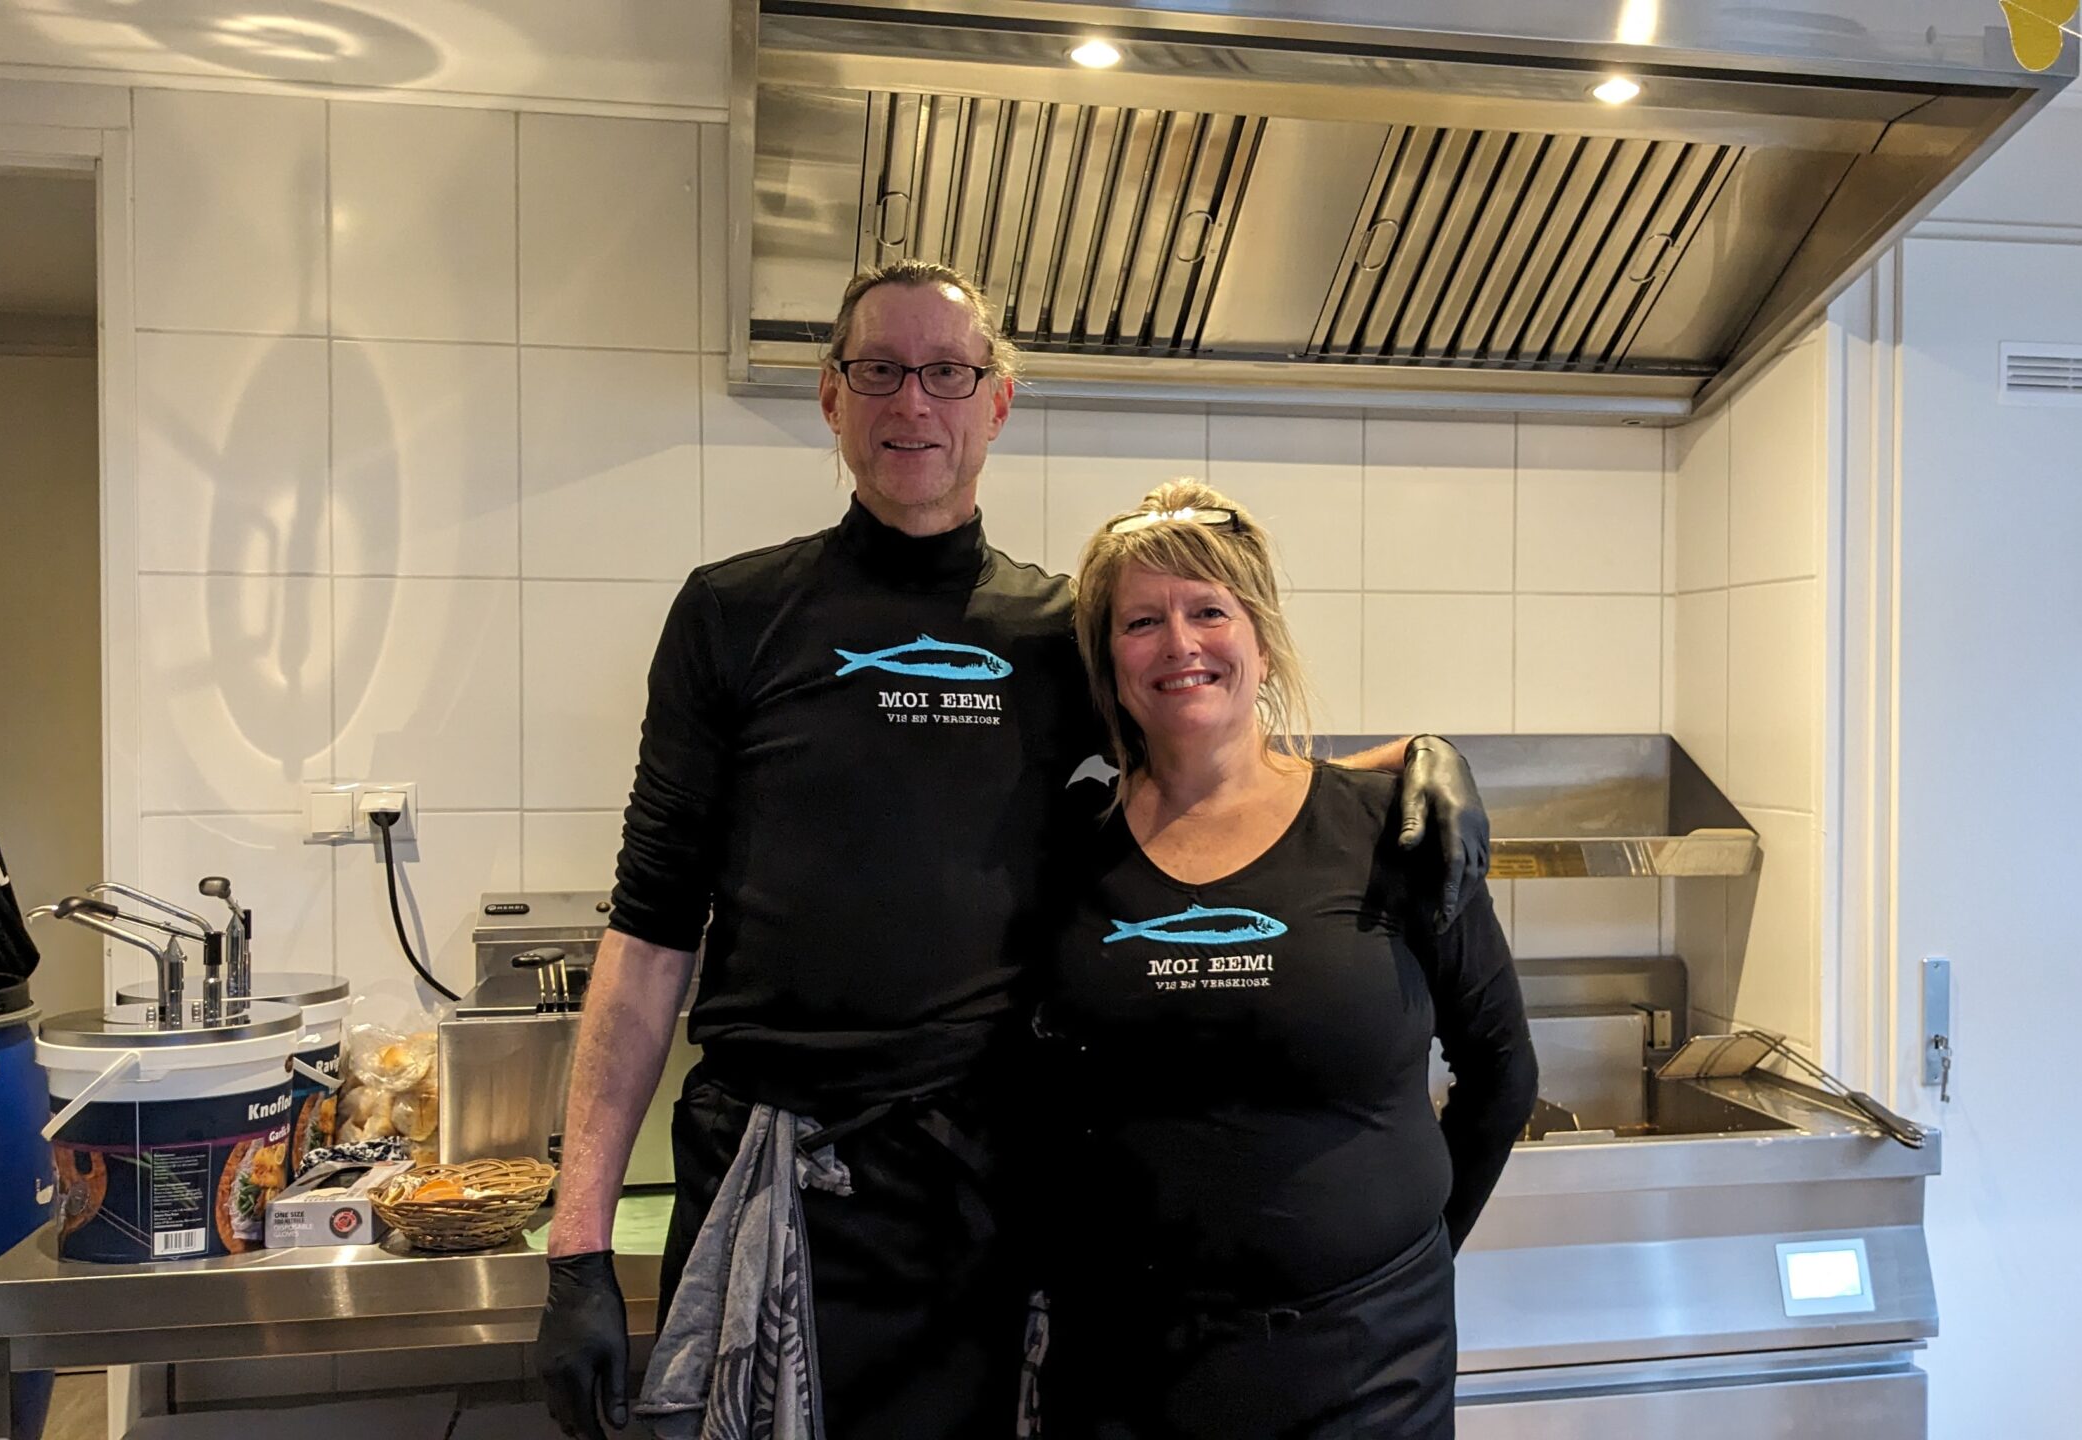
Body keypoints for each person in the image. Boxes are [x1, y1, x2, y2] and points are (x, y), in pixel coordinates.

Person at [536, 259, 1493, 1440]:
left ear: (996, 403)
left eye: (948, 372)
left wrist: (1410, 758)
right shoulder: (732, 615)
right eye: (879, 370)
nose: (912, 401)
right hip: (778, 1181)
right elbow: (648, 927)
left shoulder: (1053, 634)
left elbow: (1212, 758)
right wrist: (578, 1248)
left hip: (990, 1193)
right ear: (831, 396)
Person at [1034, 479, 1538, 1439]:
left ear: (1261, 643)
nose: (1179, 644)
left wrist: (1412, 1256)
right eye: (1141, 621)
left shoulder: (1388, 829)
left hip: (1369, 1372)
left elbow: (1502, 1068)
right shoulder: (1065, 849)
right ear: (1107, 662)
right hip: (1126, 1371)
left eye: (1209, 611)